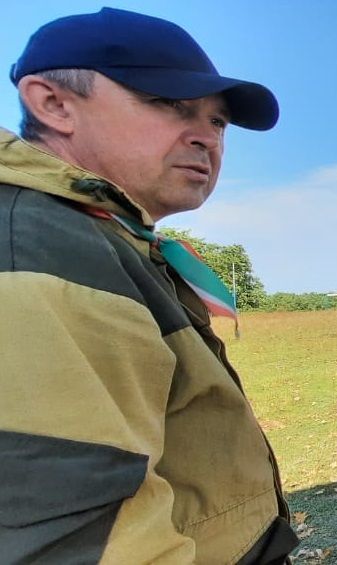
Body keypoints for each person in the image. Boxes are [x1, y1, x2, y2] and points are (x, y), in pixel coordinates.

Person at [0, 8, 296, 562]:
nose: (206, 137)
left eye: (218, 121)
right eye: (169, 104)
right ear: (54, 103)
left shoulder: (105, 238)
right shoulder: (40, 248)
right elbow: (76, 540)